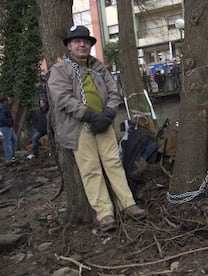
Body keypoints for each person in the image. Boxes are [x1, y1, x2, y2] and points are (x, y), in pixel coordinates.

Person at [47, 25, 146, 232]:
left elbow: (113, 91)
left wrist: (109, 113)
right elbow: (62, 98)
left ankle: (127, 204)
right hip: (79, 127)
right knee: (90, 169)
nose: (82, 44)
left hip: (103, 122)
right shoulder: (60, 70)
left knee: (114, 163)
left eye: (86, 41)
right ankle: (104, 214)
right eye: (77, 41)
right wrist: (89, 115)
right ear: (69, 46)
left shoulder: (99, 67)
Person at [0, 96, 18, 165]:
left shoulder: (5, 107)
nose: (10, 101)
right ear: (5, 101)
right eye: (9, 100)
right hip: (5, 127)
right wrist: (9, 123)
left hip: (9, 126)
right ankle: (9, 159)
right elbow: (2, 118)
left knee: (14, 140)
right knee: (7, 142)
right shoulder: (2, 108)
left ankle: (12, 156)